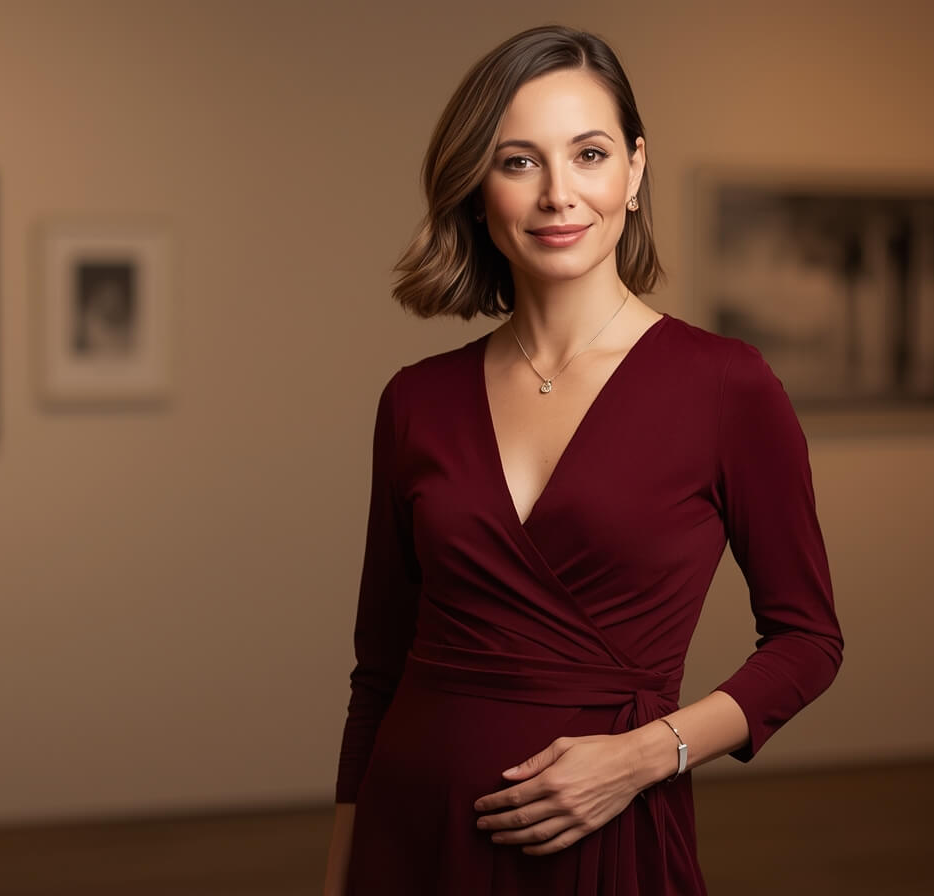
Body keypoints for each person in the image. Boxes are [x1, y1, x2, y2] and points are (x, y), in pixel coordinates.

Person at [325, 24, 843, 895]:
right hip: (410, 840)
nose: (559, 194)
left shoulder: (726, 386)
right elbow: (377, 672)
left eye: (590, 154)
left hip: (604, 846)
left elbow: (808, 640)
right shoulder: (415, 400)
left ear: (634, 173)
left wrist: (649, 756)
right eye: (519, 161)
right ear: (476, 189)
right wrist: (340, 879)